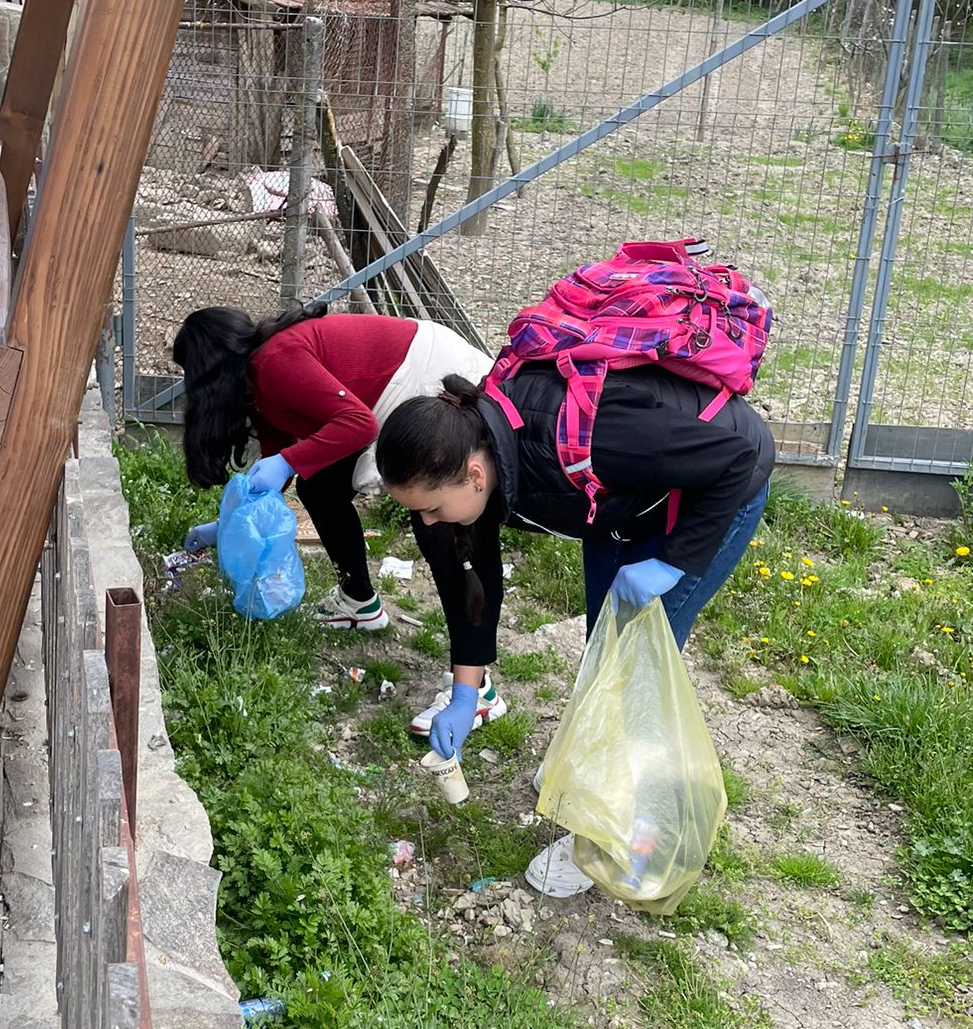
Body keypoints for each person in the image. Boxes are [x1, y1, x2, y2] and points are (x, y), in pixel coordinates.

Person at [373, 364, 775, 769]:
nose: (426, 522)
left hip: (717, 484)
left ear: (475, 475)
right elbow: (469, 584)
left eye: (432, 509)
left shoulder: (590, 435)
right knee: (604, 651)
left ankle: (629, 794)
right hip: (618, 501)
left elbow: (734, 460)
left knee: (637, 659)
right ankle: (594, 768)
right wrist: (465, 694)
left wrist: (671, 564)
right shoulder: (459, 472)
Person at [171, 303, 490, 643]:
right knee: (320, 487)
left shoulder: (273, 362)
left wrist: (287, 463)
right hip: (386, 394)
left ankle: (471, 663)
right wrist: (229, 525)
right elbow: (278, 461)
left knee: (433, 517)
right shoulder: (256, 382)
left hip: (432, 377)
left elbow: (358, 425)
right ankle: (359, 603)